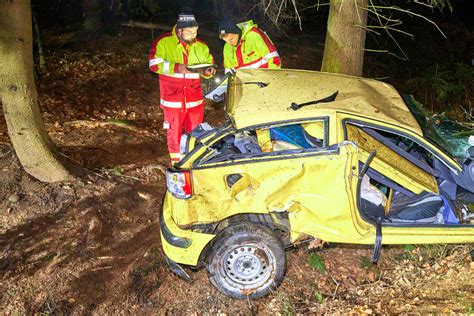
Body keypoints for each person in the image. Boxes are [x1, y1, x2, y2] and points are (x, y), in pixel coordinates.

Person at [148, 13, 215, 164]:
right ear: (179, 31)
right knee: (174, 133)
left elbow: (208, 65)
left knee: (196, 134)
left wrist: (208, 72)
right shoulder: (164, 42)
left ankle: (193, 162)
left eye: (195, 32)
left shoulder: (202, 46)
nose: (193, 35)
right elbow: (153, 64)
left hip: (195, 100)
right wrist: (176, 67)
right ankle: (177, 165)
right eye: (189, 32)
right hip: (173, 100)